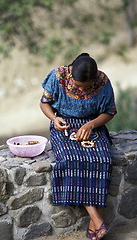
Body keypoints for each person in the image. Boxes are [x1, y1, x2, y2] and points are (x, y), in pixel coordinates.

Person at [40, 53, 116, 240]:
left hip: (93, 125)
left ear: (95, 79)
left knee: (102, 159)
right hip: (64, 125)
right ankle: (96, 217)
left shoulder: (102, 81)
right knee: (71, 158)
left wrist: (90, 125)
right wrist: (54, 118)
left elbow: (110, 112)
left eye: (87, 87)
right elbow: (44, 104)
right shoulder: (58, 77)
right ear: (71, 72)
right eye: (79, 86)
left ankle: (94, 221)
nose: (82, 90)